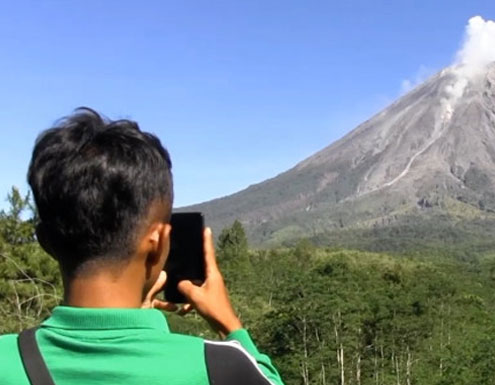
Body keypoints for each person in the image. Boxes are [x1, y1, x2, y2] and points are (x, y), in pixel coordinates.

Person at [0, 108, 284, 385]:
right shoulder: (219, 367)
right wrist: (229, 324)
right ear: (159, 243)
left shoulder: (6, 361)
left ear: (45, 242)